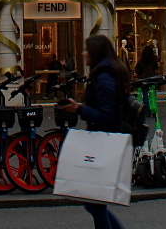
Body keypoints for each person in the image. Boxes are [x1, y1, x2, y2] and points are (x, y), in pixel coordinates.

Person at [60, 34, 130, 229]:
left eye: (87, 50)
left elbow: (106, 116)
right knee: (94, 204)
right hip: (102, 142)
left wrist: (79, 109)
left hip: (103, 144)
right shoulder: (104, 73)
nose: (83, 54)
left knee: (96, 205)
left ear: (96, 53)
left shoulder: (105, 76)